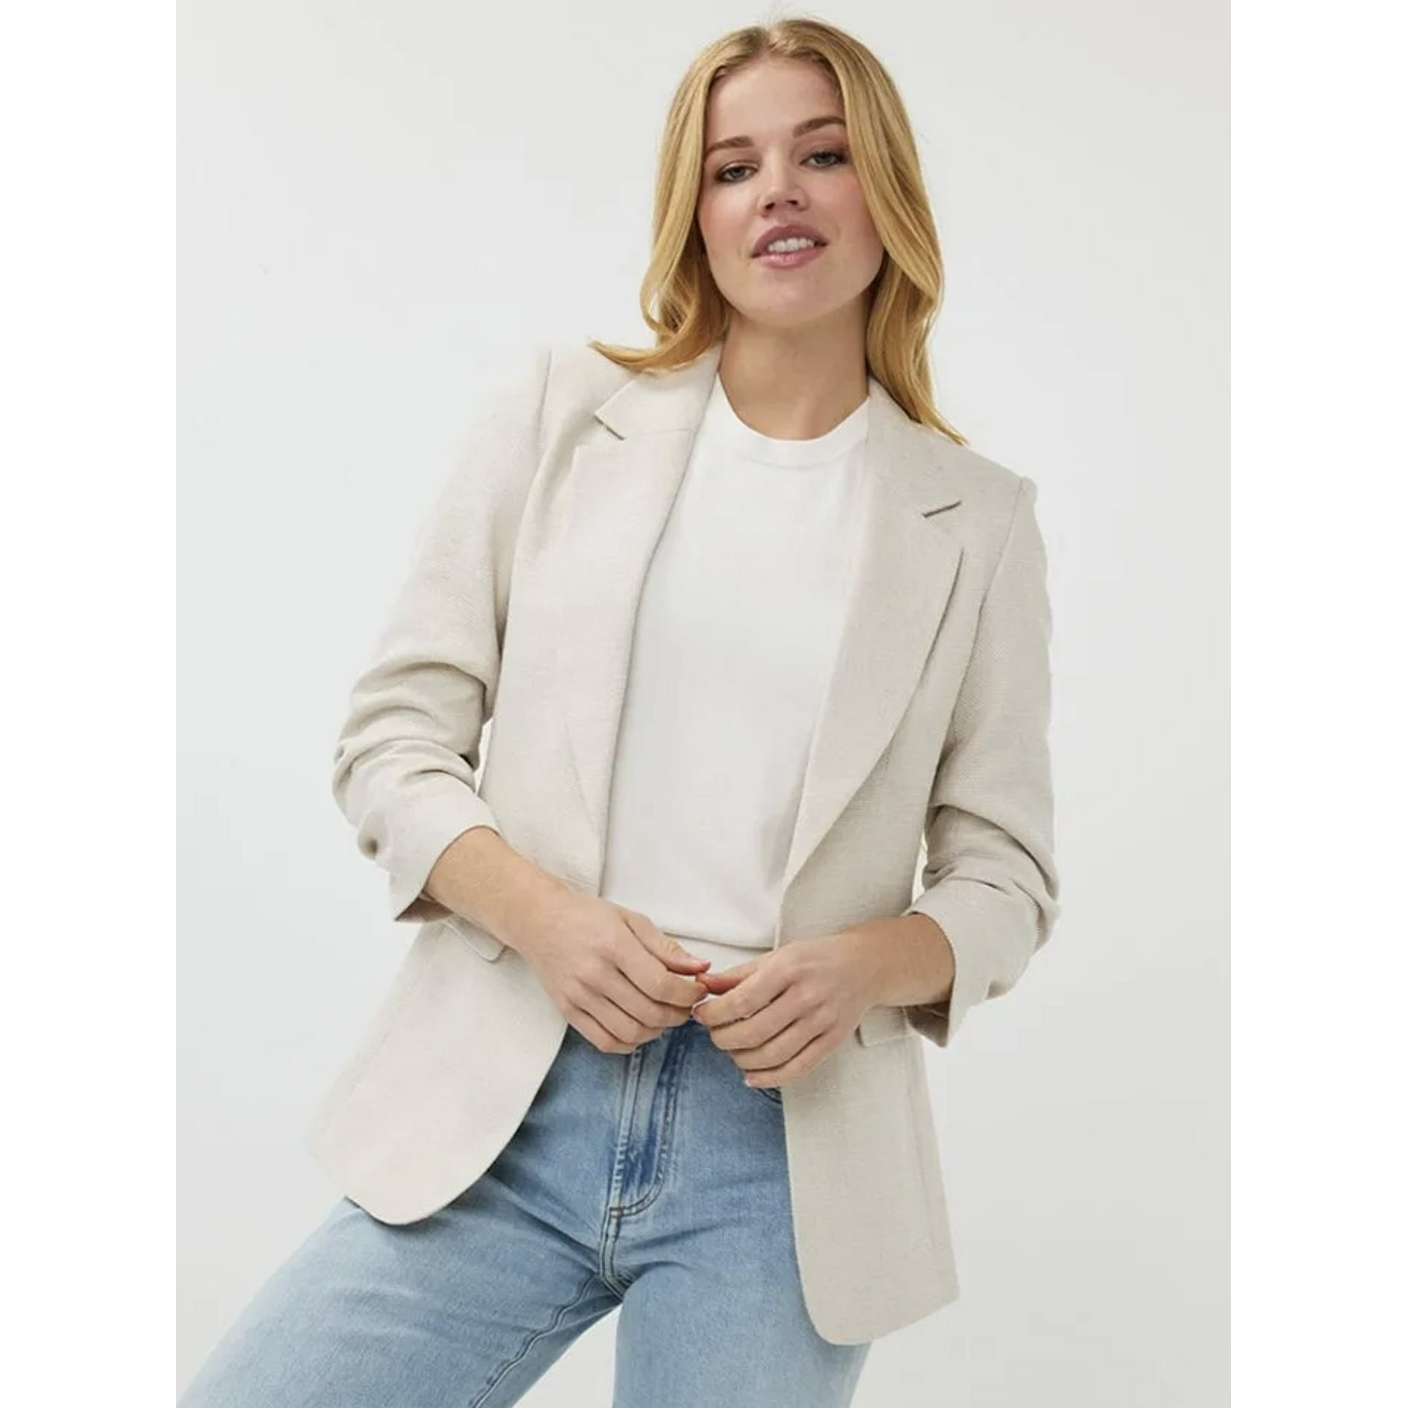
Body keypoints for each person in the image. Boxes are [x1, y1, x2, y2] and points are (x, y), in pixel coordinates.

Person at [180, 16, 1059, 1408]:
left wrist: (861, 968)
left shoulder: (978, 521)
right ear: (694, 216)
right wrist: (546, 919)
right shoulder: (561, 419)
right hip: (504, 1103)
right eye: (733, 167)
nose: (777, 192)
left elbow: (1005, 872)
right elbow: (393, 740)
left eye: (823, 155)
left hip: (784, 1162)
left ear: (885, 189)